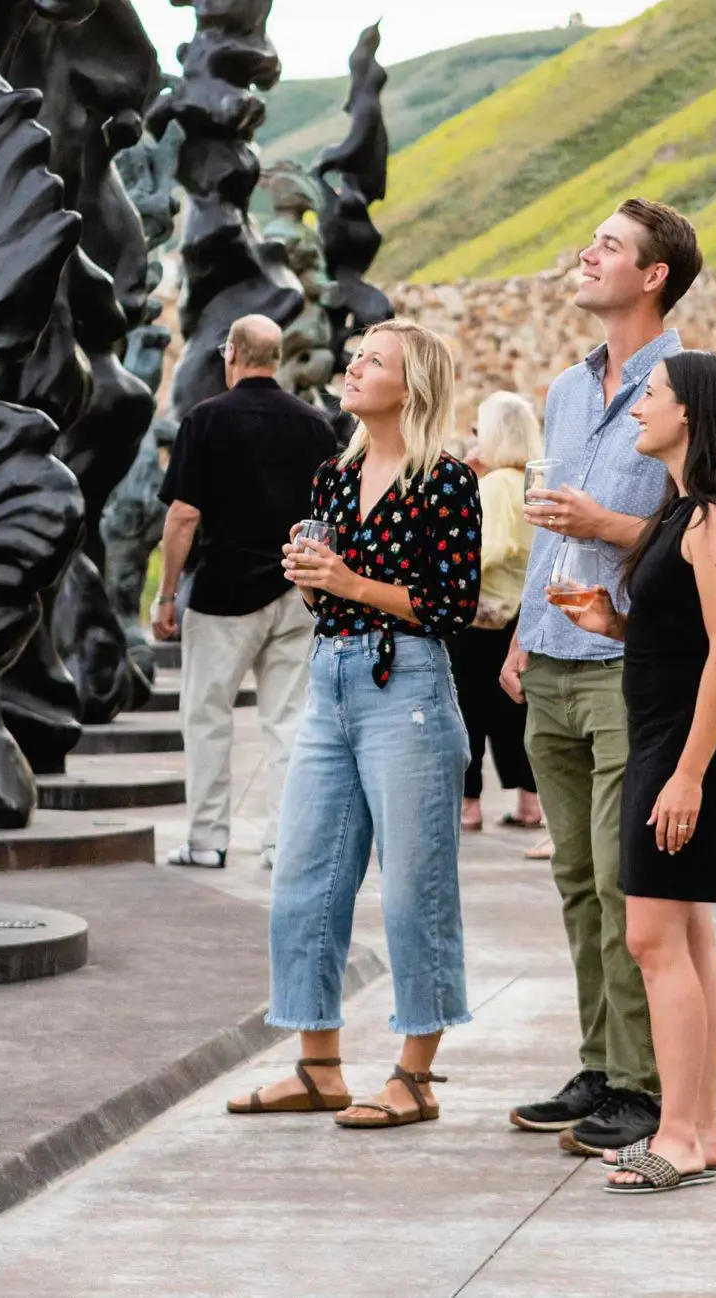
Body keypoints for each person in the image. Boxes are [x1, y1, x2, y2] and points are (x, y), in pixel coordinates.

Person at [228, 320, 481, 1128]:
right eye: (356, 356)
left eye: (373, 360)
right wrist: (312, 582)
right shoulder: (334, 475)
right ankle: (318, 1067)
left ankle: (415, 1076)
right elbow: (329, 596)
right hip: (331, 674)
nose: (354, 367)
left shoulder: (446, 480)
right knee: (304, 878)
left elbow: (452, 605)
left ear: (412, 386)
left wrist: (348, 582)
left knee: (413, 887)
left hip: (407, 684)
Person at [554, 352, 716, 1193]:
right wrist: (615, 625)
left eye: (650, 396)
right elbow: (686, 641)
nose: (637, 410)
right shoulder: (685, 511)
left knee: (653, 940)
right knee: (684, 937)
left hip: (686, 749)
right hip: (668, 736)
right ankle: (701, 1129)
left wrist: (687, 775)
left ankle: (681, 1134)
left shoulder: (714, 520)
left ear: (689, 412)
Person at [502, 196, 702, 1159]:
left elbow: (709, 528)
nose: (587, 255)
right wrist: (522, 633)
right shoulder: (565, 390)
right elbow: (550, 531)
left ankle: (641, 1085)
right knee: (576, 881)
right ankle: (598, 1066)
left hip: (632, 668)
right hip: (551, 658)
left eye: (609, 246)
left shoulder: (691, 388)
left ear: (653, 275)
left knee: (629, 888)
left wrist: (607, 526)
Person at [155, 315, 342, 869]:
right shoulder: (314, 425)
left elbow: (183, 516)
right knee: (289, 722)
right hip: (295, 590)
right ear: (277, 358)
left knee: (207, 717)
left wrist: (166, 594)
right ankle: (283, 844)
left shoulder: (204, 419)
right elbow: (329, 518)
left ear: (232, 353)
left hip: (222, 593)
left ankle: (206, 840)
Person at [457, 392, 544, 834]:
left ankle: (469, 804)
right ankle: (529, 803)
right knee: (515, 710)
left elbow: (488, 549)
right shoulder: (535, 482)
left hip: (479, 616)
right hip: (521, 616)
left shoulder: (492, 487)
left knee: (468, 711)